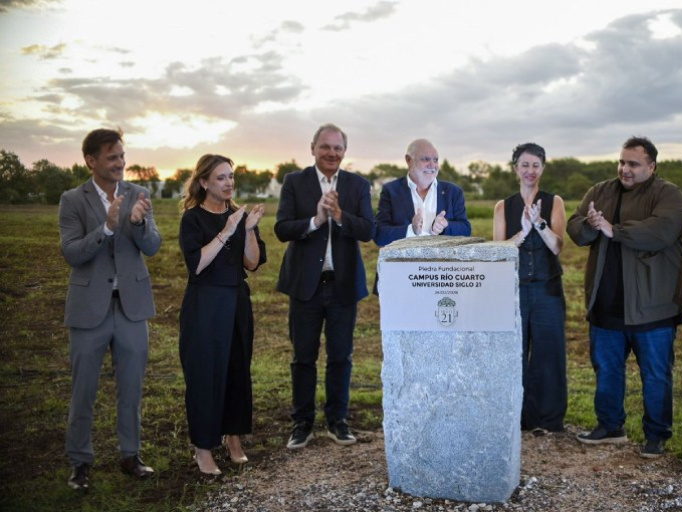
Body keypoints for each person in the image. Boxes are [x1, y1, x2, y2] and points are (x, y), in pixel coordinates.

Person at [566, 136, 682, 458]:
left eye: (633, 163)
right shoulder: (600, 190)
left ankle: (656, 434)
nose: (625, 169)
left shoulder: (668, 194)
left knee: (656, 373)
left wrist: (614, 230)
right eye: (622, 162)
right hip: (606, 302)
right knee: (606, 368)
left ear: (651, 166)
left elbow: (662, 230)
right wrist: (592, 226)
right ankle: (610, 426)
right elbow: (575, 227)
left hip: (653, 305)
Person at [59, 128, 162, 491]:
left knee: (131, 388)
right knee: (83, 389)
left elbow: (152, 246)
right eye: (112, 157)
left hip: (132, 308)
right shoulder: (72, 199)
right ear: (91, 160)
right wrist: (106, 226)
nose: (120, 162)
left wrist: (136, 222)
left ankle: (130, 456)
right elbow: (71, 252)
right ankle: (80, 463)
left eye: (122, 155)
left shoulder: (139, 194)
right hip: (89, 311)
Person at [275, 123, 376, 450]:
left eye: (337, 148)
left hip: (343, 285)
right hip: (306, 286)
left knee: (341, 356)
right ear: (313, 148)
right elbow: (281, 229)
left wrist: (340, 214)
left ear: (344, 151)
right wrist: (317, 220)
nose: (332, 153)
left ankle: (338, 419)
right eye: (325, 147)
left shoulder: (358, 185)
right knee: (303, 356)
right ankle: (302, 422)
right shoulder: (294, 182)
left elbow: (367, 230)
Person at [178, 154, 267, 475]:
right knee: (205, 374)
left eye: (231, 176)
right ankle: (203, 449)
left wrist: (249, 230)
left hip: (236, 301)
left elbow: (252, 264)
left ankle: (234, 440)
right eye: (220, 177)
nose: (229, 182)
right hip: (204, 305)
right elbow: (197, 265)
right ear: (203, 182)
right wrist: (227, 230)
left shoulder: (240, 216)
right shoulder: (192, 219)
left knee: (236, 371)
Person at [493, 142, 567, 435]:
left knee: (550, 352)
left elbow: (558, 246)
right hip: (515, 290)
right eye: (524, 165)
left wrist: (539, 224)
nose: (530, 171)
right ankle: (519, 418)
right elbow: (499, 251)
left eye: (536, 165)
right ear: (515, 168)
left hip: (548, 289)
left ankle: (549, 420)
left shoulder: (554, 202)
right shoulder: (503, 206)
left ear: (543, 168)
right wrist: (522, 231)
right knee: (515, 353)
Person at [374, 138, 471, 247]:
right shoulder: (391, 191)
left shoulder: (453, 192)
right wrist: (411, 230)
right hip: (405, 263)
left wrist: (446, 226)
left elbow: (466, 230)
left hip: (443, 263)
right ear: (409, 160)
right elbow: (380, 235)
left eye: (435, 160)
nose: (432, 165)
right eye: (426, 159)